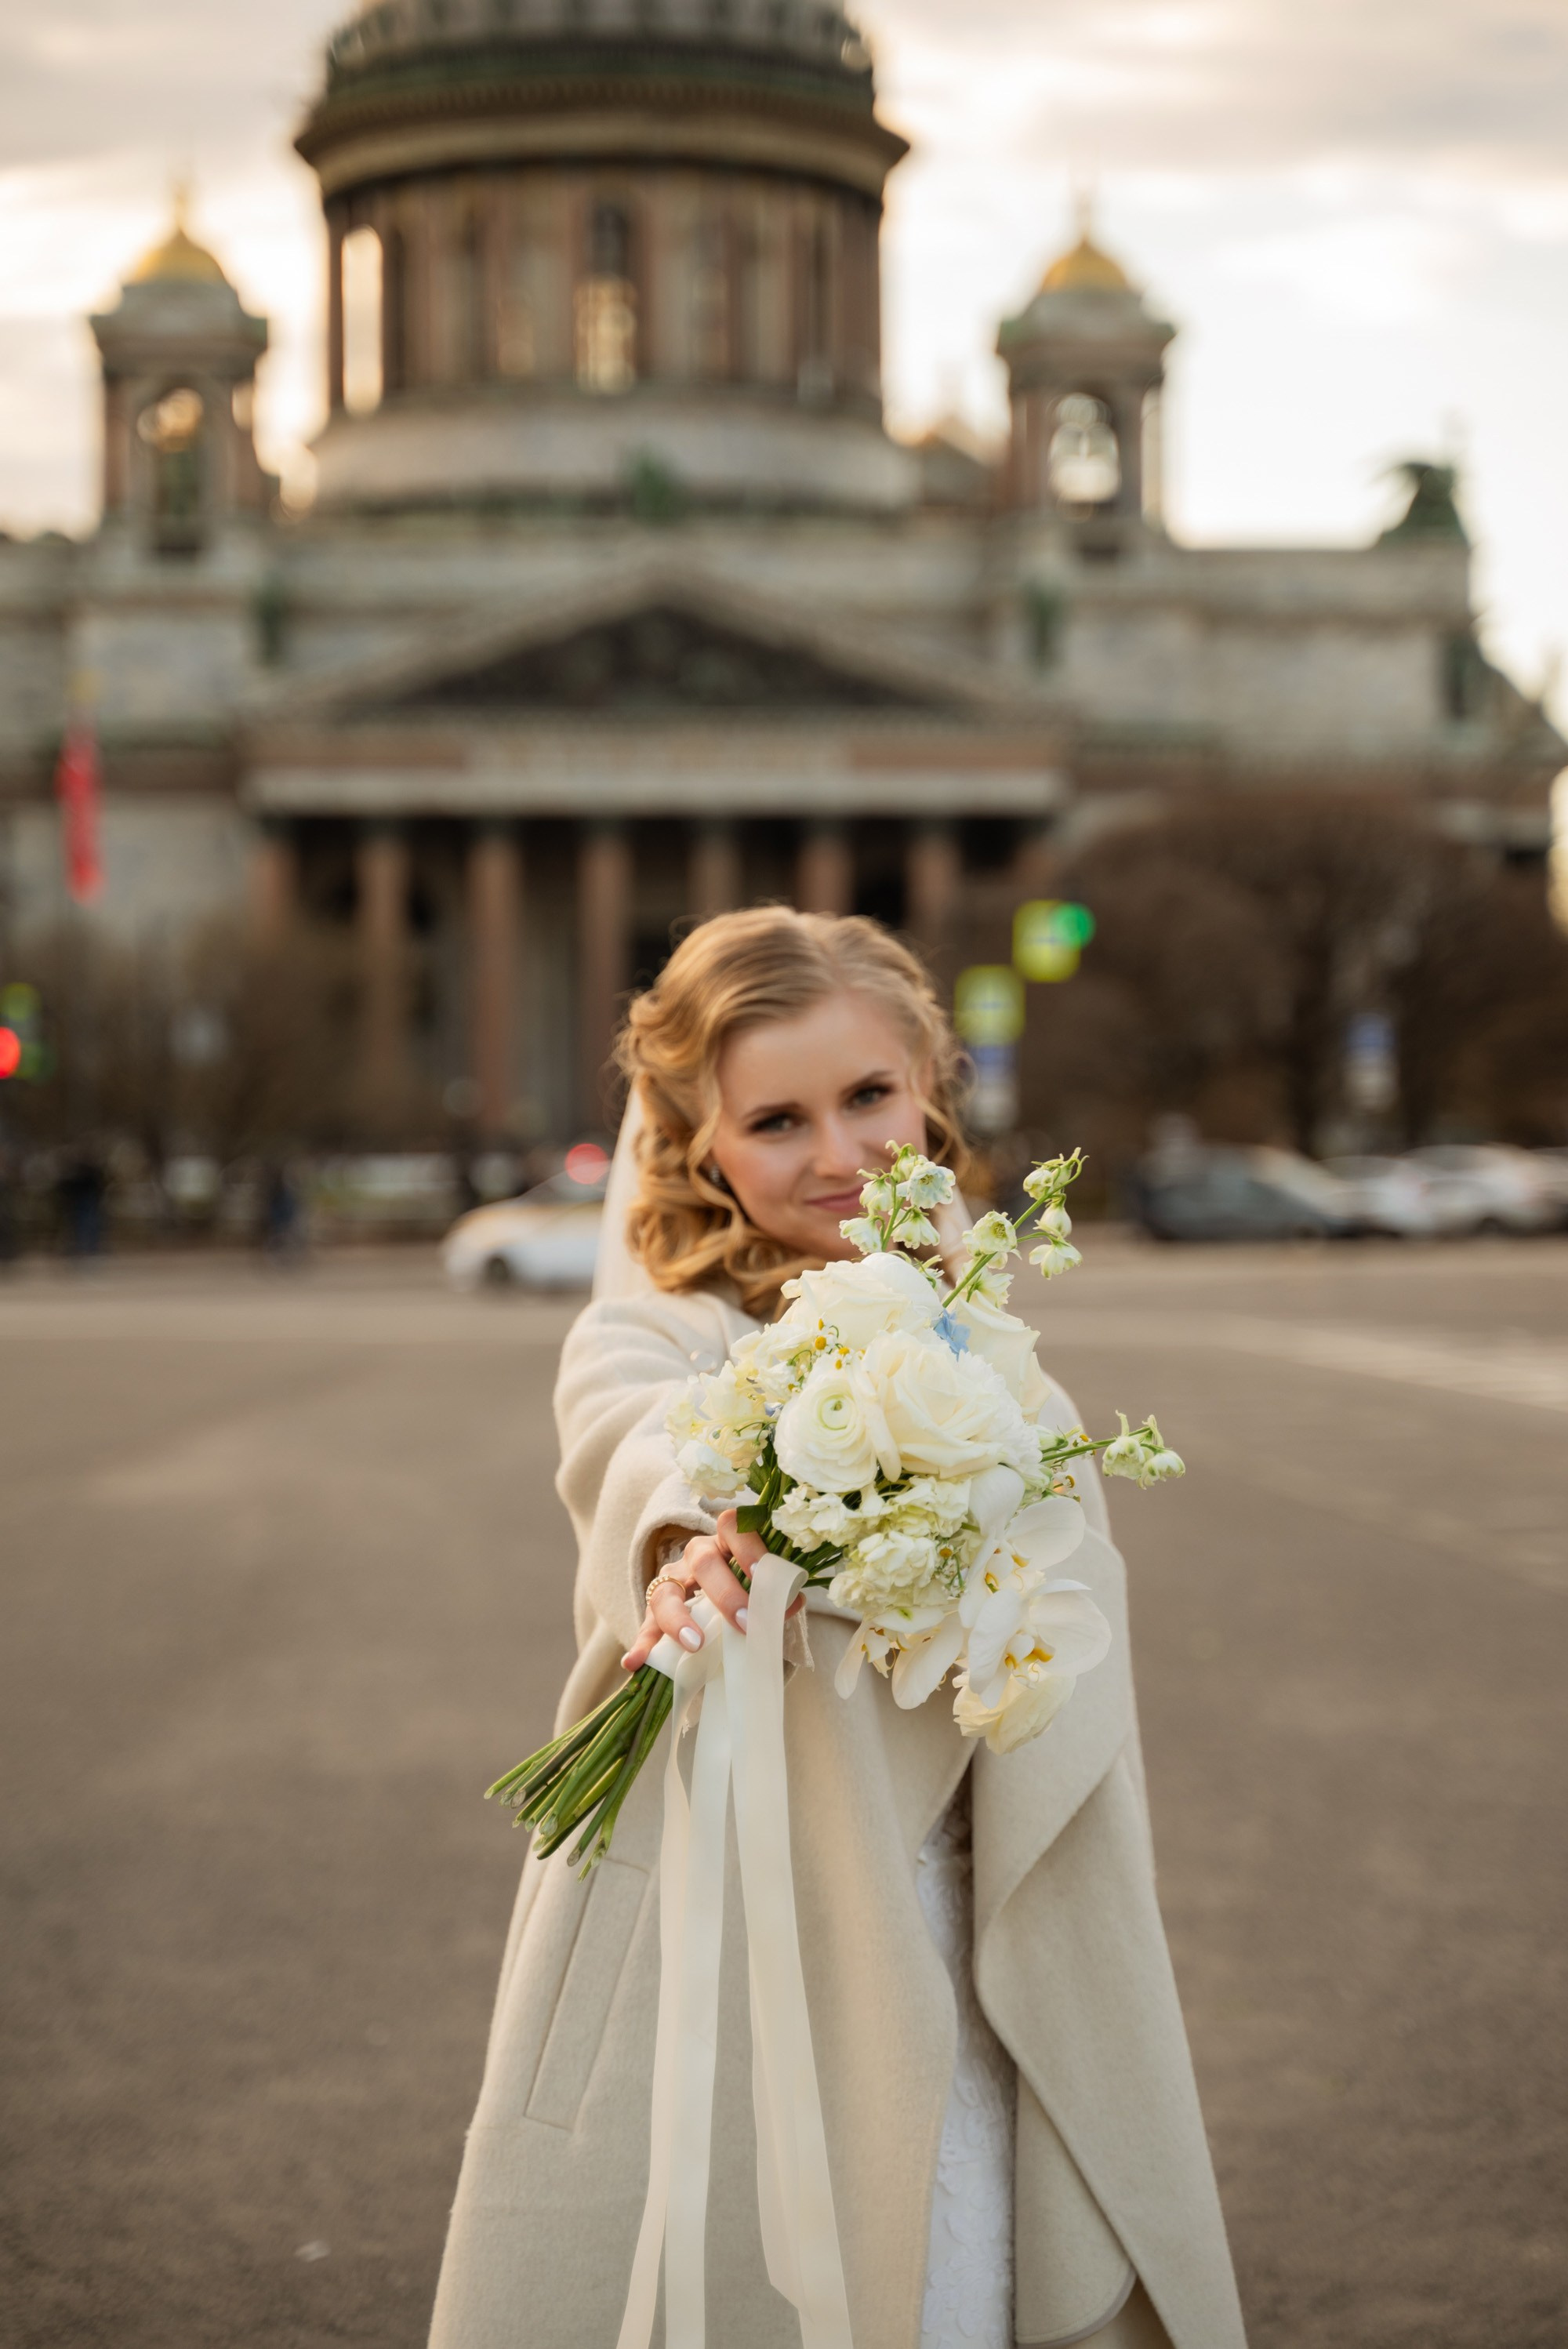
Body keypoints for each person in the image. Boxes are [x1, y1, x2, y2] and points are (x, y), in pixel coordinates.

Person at [428, 909, 1247, 2349]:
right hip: (739, 1915)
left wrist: (940, 1321)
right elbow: (630, 1451)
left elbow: (1061, 1613)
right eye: (776, 1119)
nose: (839, 1152)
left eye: (870, 1096)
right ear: (702, 1148)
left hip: (956, 1909)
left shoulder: (988, 1346)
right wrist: (700, 1532)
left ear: (931, 1078)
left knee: (955, 2268)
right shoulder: (662, 1334)